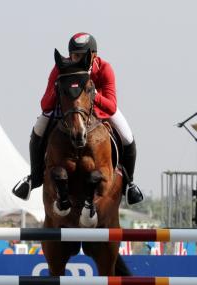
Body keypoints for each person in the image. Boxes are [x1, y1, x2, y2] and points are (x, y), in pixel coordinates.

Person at [12, 32, 143, 205]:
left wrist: (93, 95)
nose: (77, 59)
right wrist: (58, 89)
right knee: (38, 129)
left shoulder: (104, 68)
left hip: (100, 110)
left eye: (82, 56)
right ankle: (34, 178)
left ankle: (129, 183)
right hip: (67, 111)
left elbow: (111, 106)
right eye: (74, 55)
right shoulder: (61, 68)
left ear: (93, 55)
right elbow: (45, 104)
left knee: (128, 138)